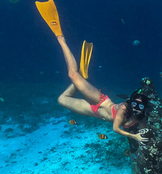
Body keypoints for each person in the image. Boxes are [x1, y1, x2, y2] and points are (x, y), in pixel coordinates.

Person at [35, 0, 148, 142]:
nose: (136, 107)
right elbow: (115, 128)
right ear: (130, 102)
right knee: (72, 74)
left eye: (140, 105)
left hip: (95, 112)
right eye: (135, 103)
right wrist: (134, 137)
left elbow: (144, 126)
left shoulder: (141, 115)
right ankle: (61, 39)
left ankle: (82, 77)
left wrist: (144, 131)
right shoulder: (125, 108)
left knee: (62, 100)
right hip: (99, 101)